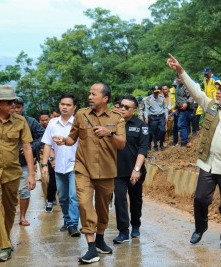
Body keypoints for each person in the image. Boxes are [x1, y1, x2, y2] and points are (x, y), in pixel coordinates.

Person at [167, 54, 221, 249]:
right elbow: (196, 91)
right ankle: (200, 228)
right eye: (217, 88)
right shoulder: (211, 107)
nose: (218, 91)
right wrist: (181, 71)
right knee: (200, 198)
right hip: (207, 164)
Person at [53, 82, 126, 264]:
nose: (90, 97)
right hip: (83, 168)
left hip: (106, 171)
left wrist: (109, 133)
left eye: (94, 94)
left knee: (103, 208)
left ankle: (100, 238)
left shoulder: (117, 118)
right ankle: (91, 248)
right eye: (89, 94)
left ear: (105, 98)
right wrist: (64, 140)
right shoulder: (81, 114)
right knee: (84, 205)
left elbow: (122, 143)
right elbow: (73, 138)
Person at [0, 85, 36, 262]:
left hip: (12, 172)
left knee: (9, 210)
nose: (13, 105)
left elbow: (27, 147)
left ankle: (5, 240)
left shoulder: (20, 122)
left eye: (13, 102)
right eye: (9, 102)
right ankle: (5, 245)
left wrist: (31, 174)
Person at [41, 93, 80, 237]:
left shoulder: (78, 123)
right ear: (59, 105)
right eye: (62, 104)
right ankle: (67, 219)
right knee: (63, 197)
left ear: (74, 107)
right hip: (58, 167)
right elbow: (47, 144)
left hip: (75, 166)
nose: (65, 107)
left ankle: (73, 224)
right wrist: (44, 164)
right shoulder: (52, 123)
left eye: (68, 105)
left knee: (74, 196)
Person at [112, 96, 149, 244]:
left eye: (127, 107)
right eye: (121, 105)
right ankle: (123, 231)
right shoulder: (112, 125)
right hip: (117, 171)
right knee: (119, 199)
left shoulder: (141, 126)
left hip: (135, 171)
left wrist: (137, 169)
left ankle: (135, 226)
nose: (123, 109)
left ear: (134, 110)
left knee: (135, 200)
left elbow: (143, 148)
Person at [14, 97, 45, 226]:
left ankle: (22, 216)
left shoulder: (30, 122)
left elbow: (43, 135)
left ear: (23, 108)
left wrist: (31, 148)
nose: (15, 110)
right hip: (5, 164)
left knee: (24, 190)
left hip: (24, 162)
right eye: (13, 107)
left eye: (18, 107)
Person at [38, 110, 57, 212]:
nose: (44, 122)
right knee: (45, 178)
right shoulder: (37, 128)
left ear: (49, 119)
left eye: (46, 119)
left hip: (55, 154)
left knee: (54, 179)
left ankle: (52, 196)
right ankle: (48, 199)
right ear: (39, 120)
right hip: (42, 156)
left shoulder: (54, 126)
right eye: (42, 120)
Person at [144, 85, 168, 151]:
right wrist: (146, 117)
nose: (156, 93)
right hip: (153, 117)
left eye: (157, 92)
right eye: (155, 92)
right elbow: (146, 109)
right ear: (152, 92)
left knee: (163, 130)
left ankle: (161, 144)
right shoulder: (148, 99)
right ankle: (155, 146)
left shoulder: (162, 98)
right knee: (154, 132)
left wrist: (166, 116)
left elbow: (165, 107)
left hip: (161, 116)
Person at [175, 74, 194, 147]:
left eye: (181, 78)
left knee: (181, 124)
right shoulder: (177, 86)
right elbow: (177, 98)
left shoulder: (187, 86)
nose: (180, 80)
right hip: (180, 108)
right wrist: (176, 108)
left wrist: (187, 103)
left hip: (186, 108)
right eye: (178, 78)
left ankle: (185, 141)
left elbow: (192, 96)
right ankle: (184, 140)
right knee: (184, 124)